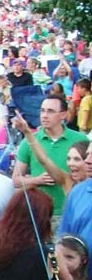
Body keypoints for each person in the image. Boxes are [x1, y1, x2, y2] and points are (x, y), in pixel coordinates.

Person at [13, 94, 86, 223]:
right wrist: (36, 180)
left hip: (71, 211)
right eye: (42, 110)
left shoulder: (81, 140)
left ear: (63, 115)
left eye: (50, 111)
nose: (44, 115)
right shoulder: (28, 142)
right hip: (39, 212)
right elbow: (16, 180)